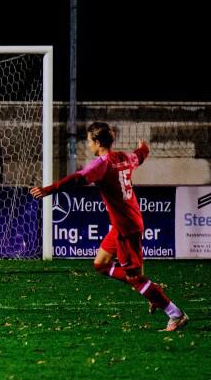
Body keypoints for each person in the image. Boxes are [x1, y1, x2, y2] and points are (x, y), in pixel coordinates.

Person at [30, 122, 188, 331]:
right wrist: (144, 148)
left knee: (134, 277)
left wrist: (48, 190)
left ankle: (174, 313)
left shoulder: (101, 164)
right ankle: (150, 289)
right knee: (101, 264)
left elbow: (77, 179)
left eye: (88, 141)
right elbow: (139, 156)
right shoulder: (124, 157)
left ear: (97, 142)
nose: (88, 145)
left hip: (126, 228)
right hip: (123, 224)